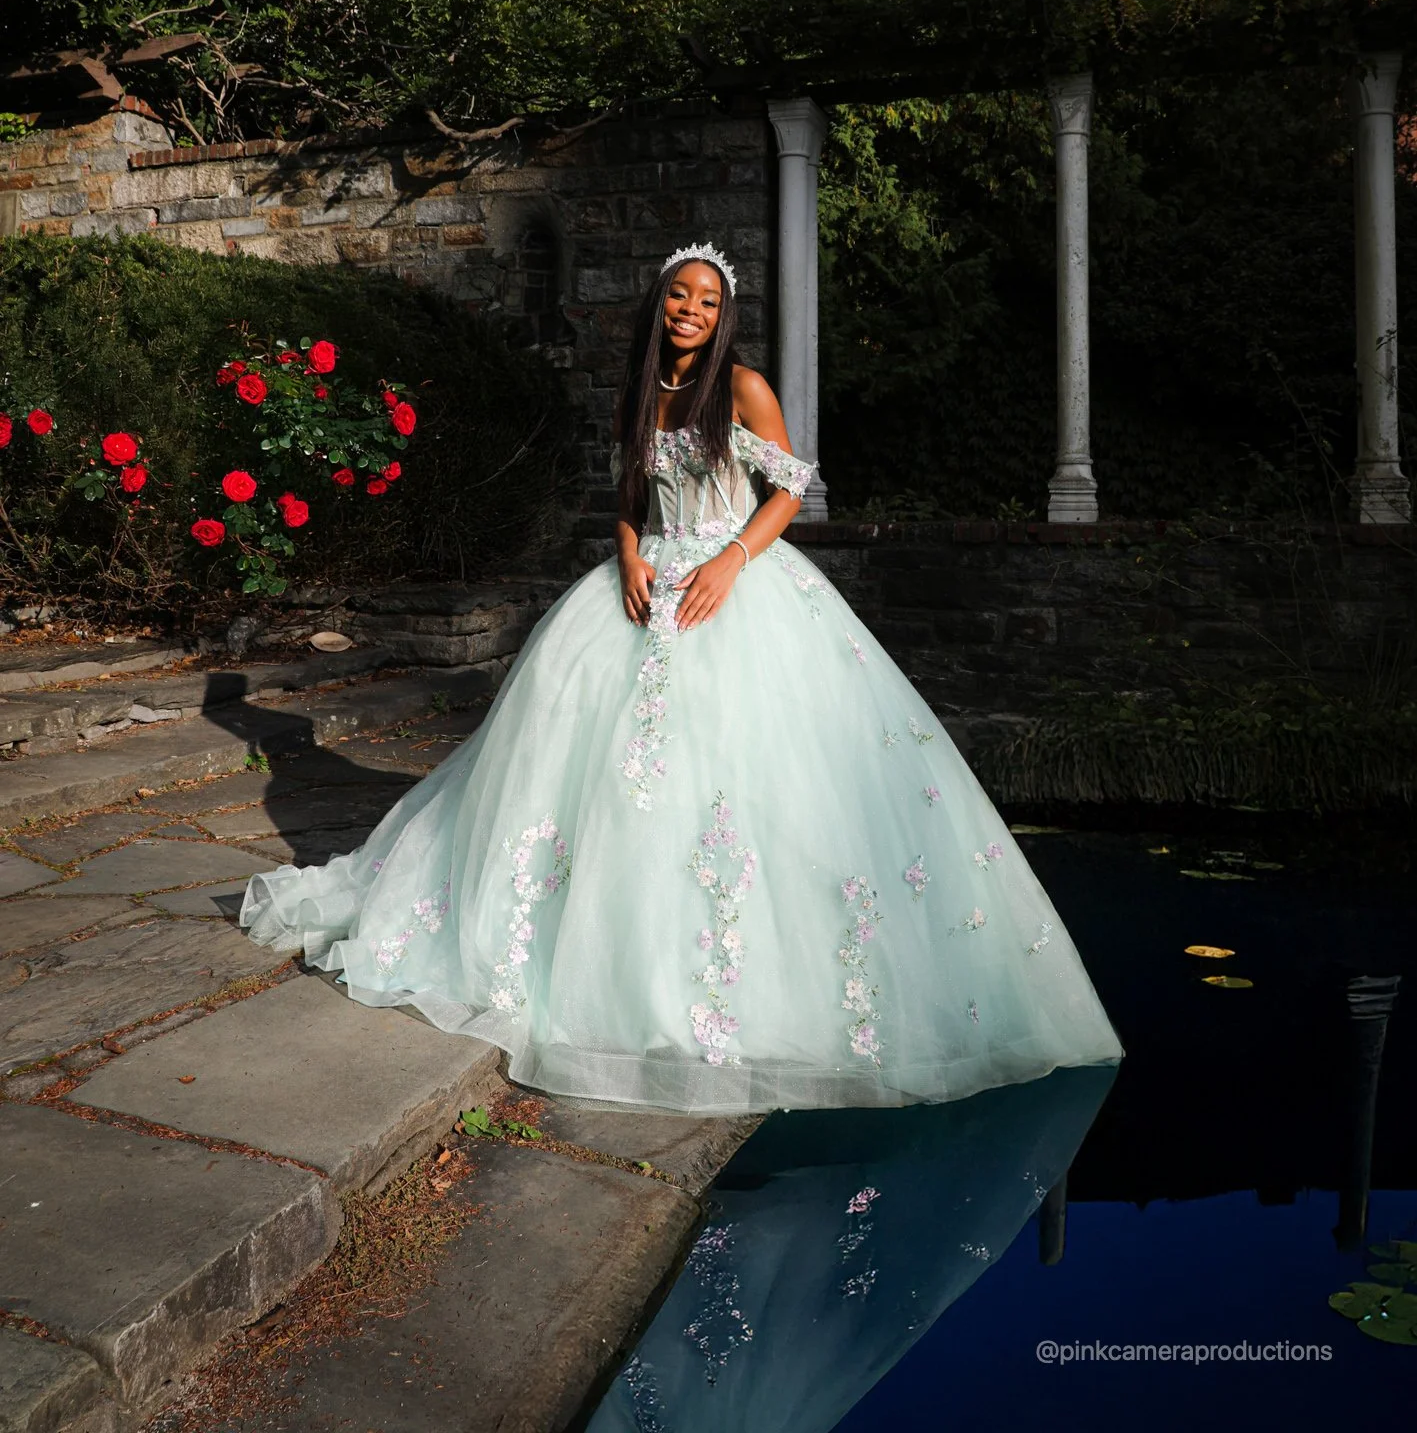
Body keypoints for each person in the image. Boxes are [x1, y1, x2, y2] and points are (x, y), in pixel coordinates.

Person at [241, 243, 1122, 1112]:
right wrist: (626, 557)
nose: (690, 310)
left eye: (706, 300)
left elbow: (789, 491)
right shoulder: (641, 393)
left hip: (730, 584)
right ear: (659, 302)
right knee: (602, 775)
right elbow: (630, 501)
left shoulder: (742, 388)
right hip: (644, 584)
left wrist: (732, 561)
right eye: (678, 296)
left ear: (722, 313)